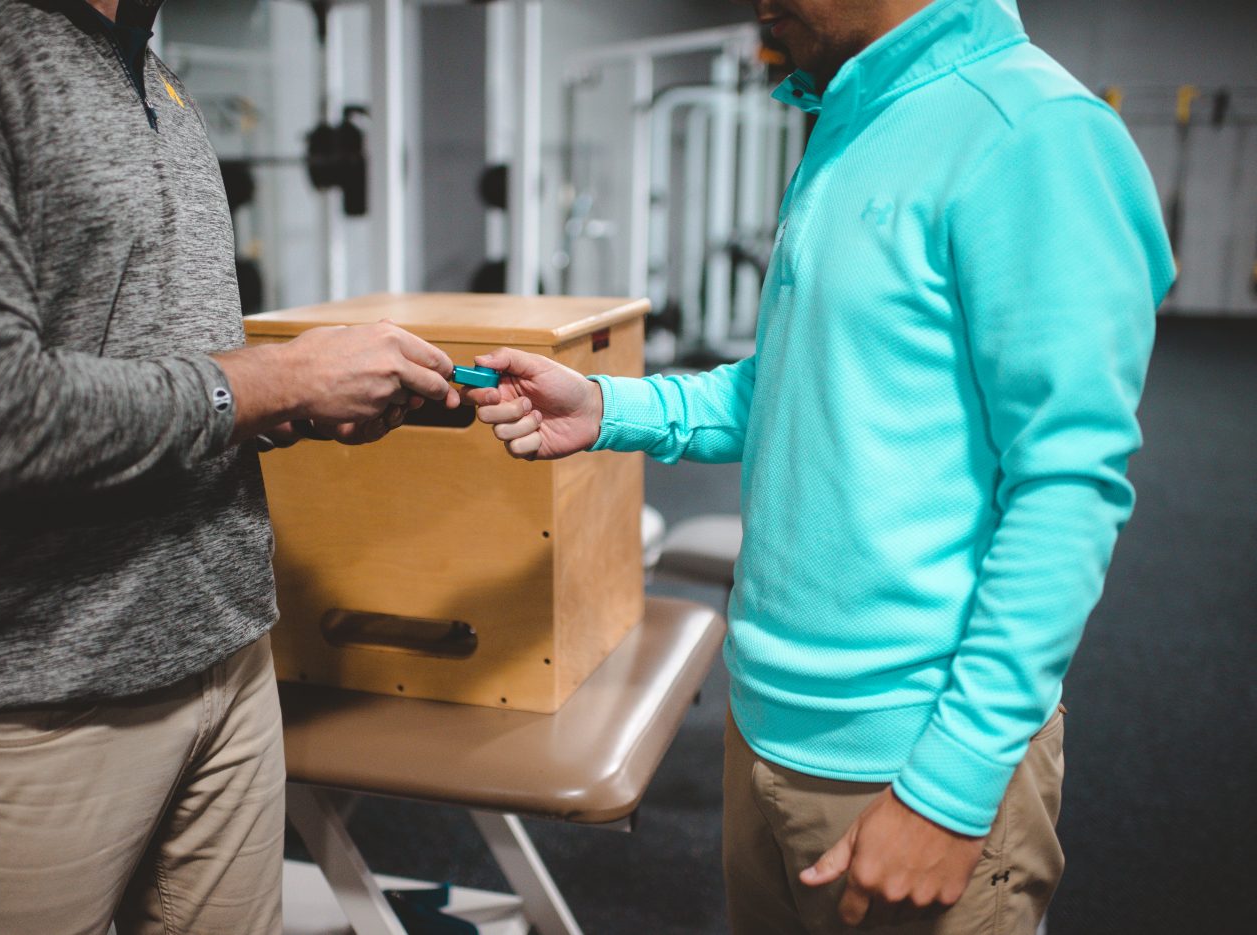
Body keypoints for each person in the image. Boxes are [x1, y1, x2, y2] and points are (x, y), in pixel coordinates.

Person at [464, 0, 1174, 931]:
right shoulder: (855, 123)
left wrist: (949, 789)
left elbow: (1066, 489)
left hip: (911, 757)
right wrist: (607, 407)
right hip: (767, 725)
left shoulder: (1035, 132)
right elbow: (791, 388)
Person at [0, 1, 460, 932]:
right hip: (28, 692)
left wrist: (299, 404)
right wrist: (278, 378)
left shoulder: (153, 72)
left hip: (225, 659)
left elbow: (165, 370)